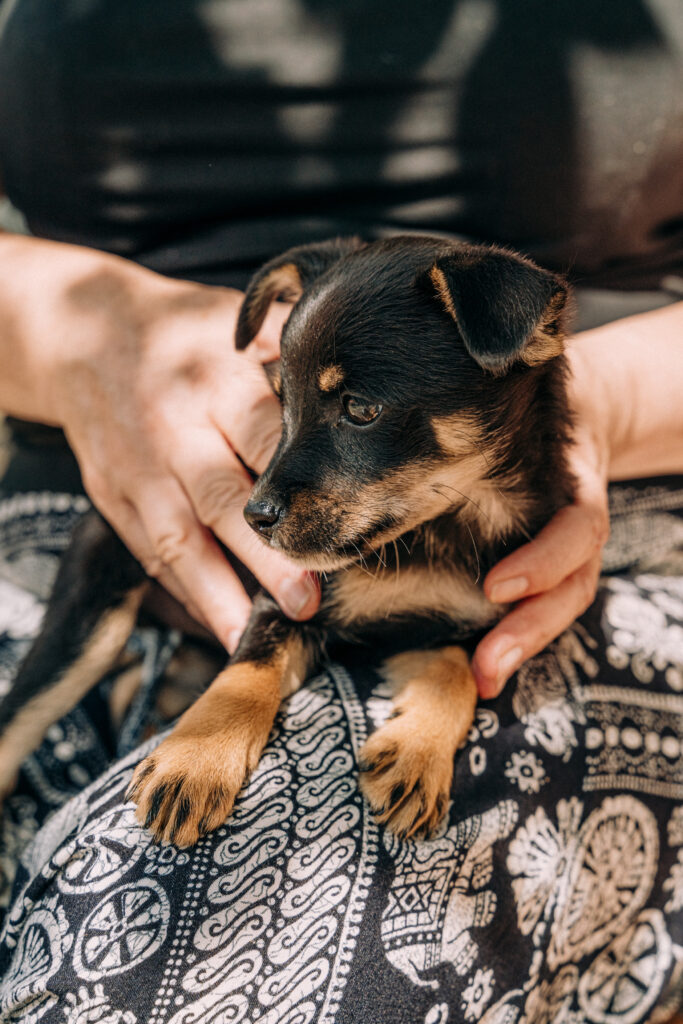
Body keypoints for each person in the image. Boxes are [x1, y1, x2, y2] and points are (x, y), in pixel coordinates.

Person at [0, 2, 682, 1021]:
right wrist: (82, 340)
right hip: (88, 496)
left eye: (360, 412)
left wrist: (598, 410)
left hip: (598, 520)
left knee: (205, 936)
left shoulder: (495, 329)